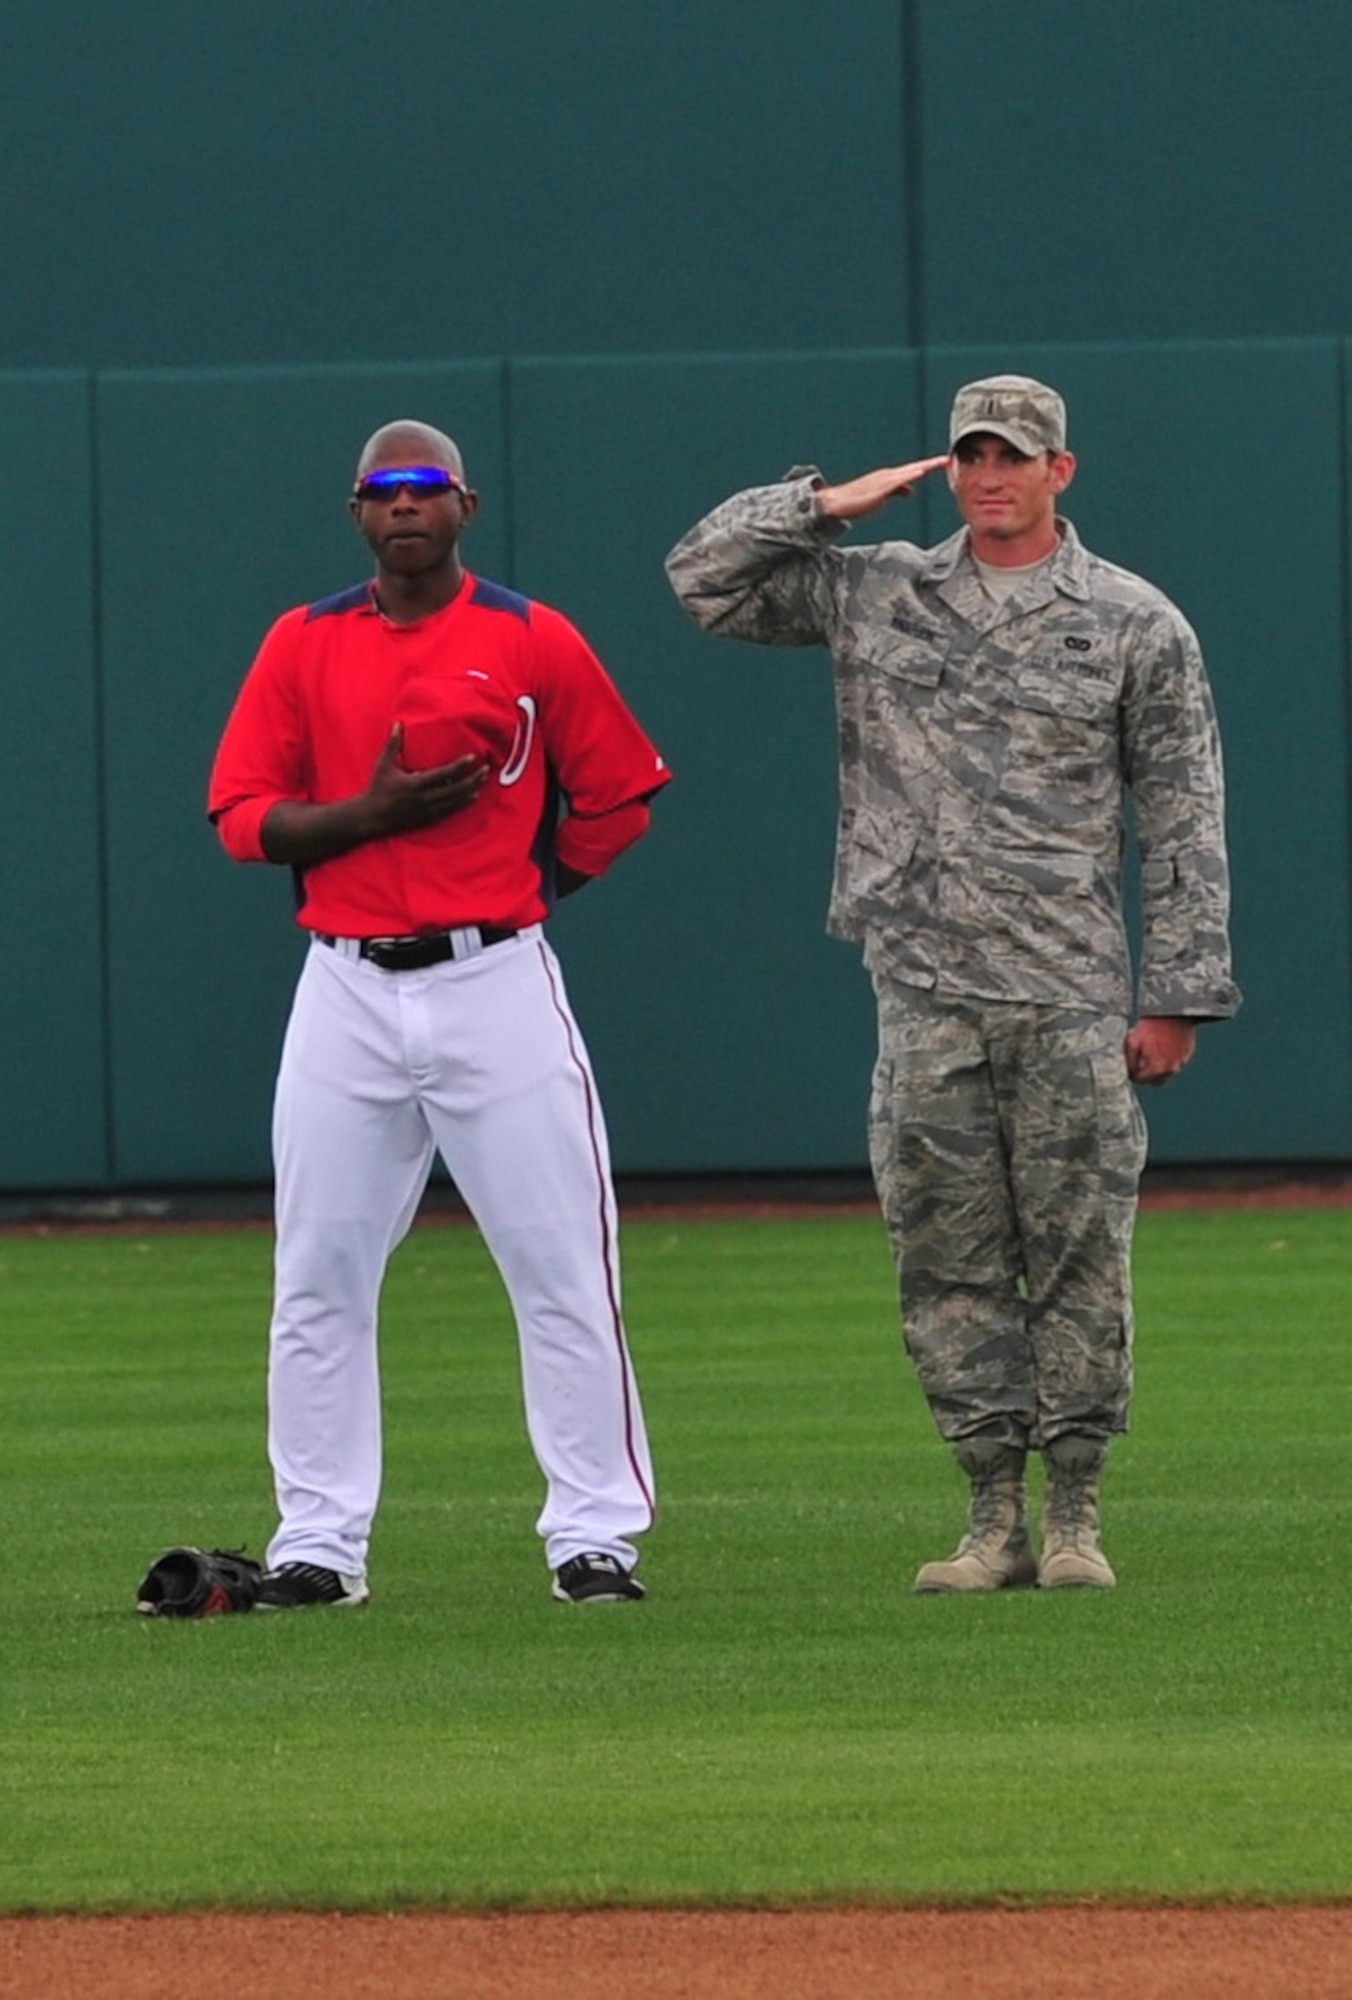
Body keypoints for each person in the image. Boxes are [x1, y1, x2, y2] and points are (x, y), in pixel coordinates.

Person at [665, 374, 1239, 1592]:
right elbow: (701, 579)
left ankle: (1075, 1509)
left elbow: (1183, 817)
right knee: (945, 1255)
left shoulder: (1135, 623)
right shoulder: (880, 589)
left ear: (1058, 472)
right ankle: (990, 1515)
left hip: (1067, 988)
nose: (989, 475)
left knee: (1080, 1246)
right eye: (970, 454)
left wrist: (1176, 993)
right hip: (921, 986)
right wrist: (818, 502)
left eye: (1013, 456)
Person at [209, 419, 671, 1609]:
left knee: (562, 1263)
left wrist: (521, 889)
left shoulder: (529, 635)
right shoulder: (301, 642)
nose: (404, 504)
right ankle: (318, 1543)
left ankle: (594, 1536)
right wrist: (367, 818)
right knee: (315, 1272)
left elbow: (618, 797)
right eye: (382, 488)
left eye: (425, 486)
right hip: (347, 982)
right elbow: (242, 818)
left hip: (493, 977)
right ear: (356, 512)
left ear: (464, 504)